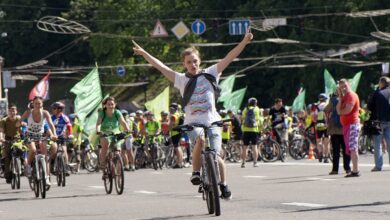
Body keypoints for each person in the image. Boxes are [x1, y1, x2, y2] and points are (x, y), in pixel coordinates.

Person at [133, 31, 253, 199]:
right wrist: (144, 53)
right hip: (193, 123)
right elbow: (160, 67)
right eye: (189, 62)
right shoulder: (181, 80)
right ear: (184, 64)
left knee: (216, 155)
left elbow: (230, 57)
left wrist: (244, 42)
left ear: (200, 61)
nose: (193, 64)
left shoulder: (211, 73)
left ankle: (223, 184)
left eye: (195, 61)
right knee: (200, 140)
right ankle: (196, 172)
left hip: (213, 121)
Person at [21, 96, 57, 185]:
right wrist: (20, 123)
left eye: (39, 103)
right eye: (36, 103)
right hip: (29, 135)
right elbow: (20, 121)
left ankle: (47, 178)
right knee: (33, 150)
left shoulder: (45, 113)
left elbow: (51, 124)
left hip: (41, 136)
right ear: (33, 104)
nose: (38, 105)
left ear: (42, 104)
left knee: (45, 157)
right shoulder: (28, 112)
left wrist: (54, 134)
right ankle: (28, 166)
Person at [96, 97, 130, 179]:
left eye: (112, 104)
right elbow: (98, 124)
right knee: (105, 146)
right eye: (108, 104)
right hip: (104, 132)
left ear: (115, 105)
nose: (110, 106)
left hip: (116, 132)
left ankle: (118, 171)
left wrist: (128, 130)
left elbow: (123, 122)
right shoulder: (102, 113)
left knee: (118, 151)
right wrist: (98, 130)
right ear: (105, 105)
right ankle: (103, 167)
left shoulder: (117, 112)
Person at [336, 79, 360, 177]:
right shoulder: (344, 97)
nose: (344, 88)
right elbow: (337, 110)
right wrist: (340, 98)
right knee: (350, 148)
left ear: (349, 85)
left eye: (345, 86)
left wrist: (340, 111)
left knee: (353, 148)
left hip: (352, 124)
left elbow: (347, 110)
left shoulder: (351, 96)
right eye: (341, 87)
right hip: (347, 125)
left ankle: (355, 170)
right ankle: (354, 169)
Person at [367, 76, 390, 171]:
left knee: (377, 144)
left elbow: (370, 107)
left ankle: (378, 166)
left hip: (378, 122)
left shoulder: (377, 93)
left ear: (382, 83)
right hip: (389, 121)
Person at [325, 92, 351, 175]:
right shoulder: (347, 99)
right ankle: (347, 168)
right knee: (346, 150)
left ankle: (335, 169)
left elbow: (326, 109)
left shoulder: (333, 100)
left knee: (335, 151)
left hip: (334, 130)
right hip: (345, 128)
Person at [0, 104, 22, 184]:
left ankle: (23, 167)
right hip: (8, 140)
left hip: (17, 140)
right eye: (10, 111)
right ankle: (7, 175)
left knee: (22, 152)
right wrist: (1, 138)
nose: (12, 112)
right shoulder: (4, 120)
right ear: (8, 112)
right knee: (7, 157)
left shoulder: (19, 119)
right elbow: (1, 131)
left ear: (16, 111)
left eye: (14, 110)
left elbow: (23, 127)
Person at [51, 101, 73, 175]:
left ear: (59, 110)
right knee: (54, 150)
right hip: (53, 137)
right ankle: (52, 165)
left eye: (54, 109)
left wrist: (70, 134)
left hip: (62, 136)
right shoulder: (51, 118)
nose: (53, 110)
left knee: (64, 150)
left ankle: (66, 167)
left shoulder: (64, 117)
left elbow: (69, 126)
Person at [241, 97, 261, 168]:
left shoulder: (245, 109)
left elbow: (242, 118)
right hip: (254, 130)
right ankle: (255, 162)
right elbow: (258, 119)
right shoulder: (257, 109)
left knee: (245, 147)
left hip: (246, 130)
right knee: (254, 146)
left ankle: (243, 163)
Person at [312, 93, 330, 163]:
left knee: (319, 141)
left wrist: (316, 122)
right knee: (326, 142)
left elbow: (313, 117)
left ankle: (320, 154)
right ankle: (326, 157)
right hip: (326, 125)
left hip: (318, 126)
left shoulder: (316, 106)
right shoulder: (327, 106)